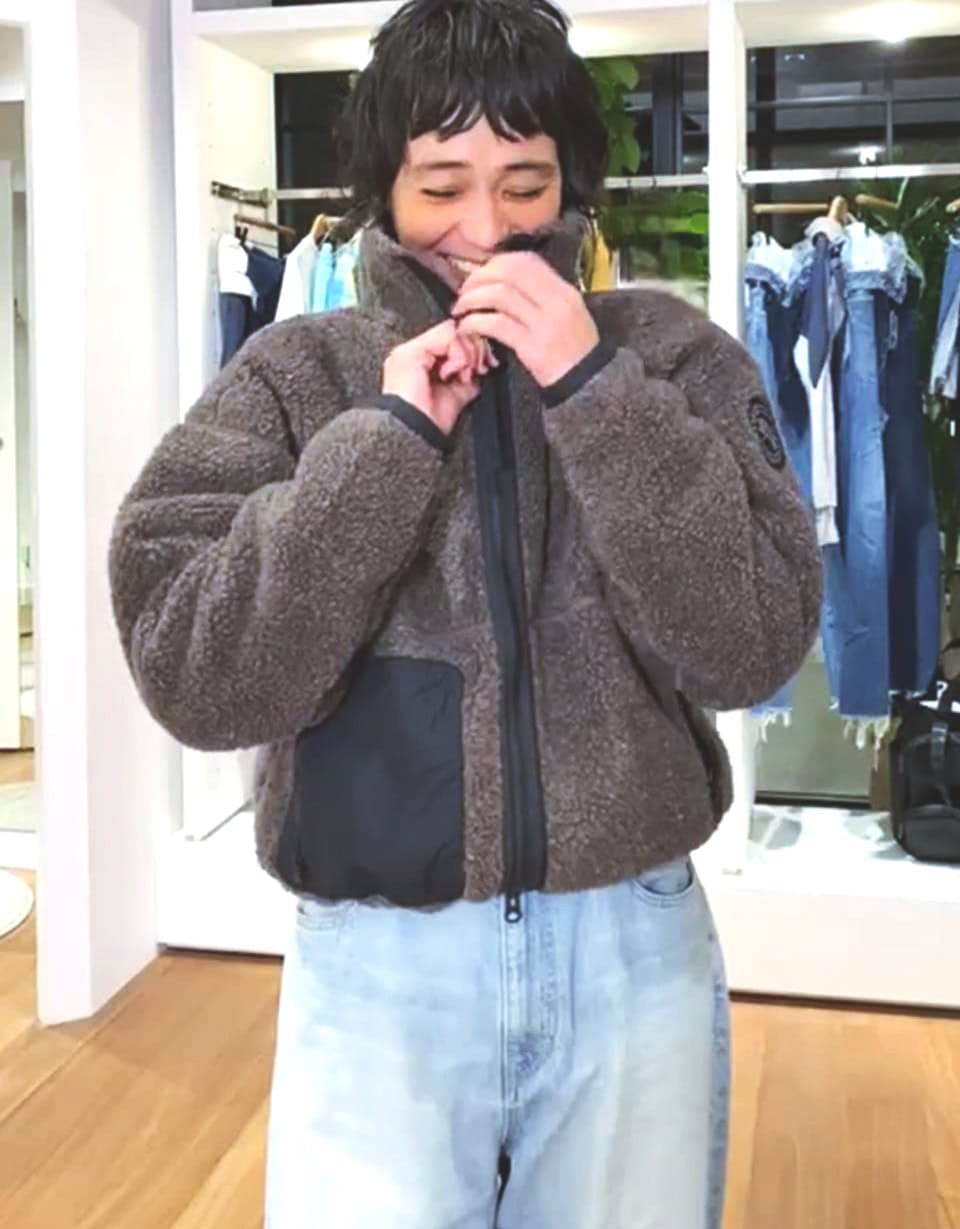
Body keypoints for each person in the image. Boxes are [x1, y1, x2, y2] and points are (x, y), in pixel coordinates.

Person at [109, 1, 822, 1224]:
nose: (486, 231)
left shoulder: (672, 356)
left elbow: (754, 641)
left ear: (572, 185)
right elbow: (197, 673)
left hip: (632, 945)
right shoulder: (296, 372)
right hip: (378, 962)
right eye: (442, 187)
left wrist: (593, 388)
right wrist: (387, 440)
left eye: (524, 184)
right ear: (384, 192)